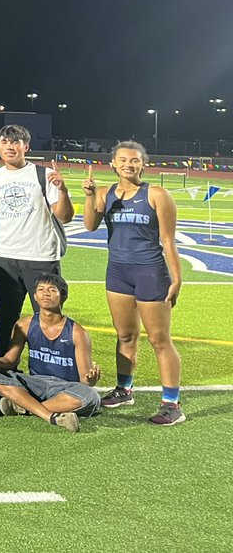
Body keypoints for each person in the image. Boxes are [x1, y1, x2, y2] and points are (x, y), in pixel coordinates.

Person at [83, 141, 185, 425]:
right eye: (123, 159)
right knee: (125, 336)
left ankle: (171, 403)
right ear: (113, 163)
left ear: (143, 164)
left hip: (150, 272)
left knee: (159, 340)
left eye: (135, 160)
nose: (129, 164)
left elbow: (168, 240)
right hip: (117, 272)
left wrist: (177, 279)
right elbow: (90, 225)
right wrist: (90, 197)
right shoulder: (105, 193)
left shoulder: (156, 194)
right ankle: (124, 389)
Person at [0, 125, 73, 354]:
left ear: (27, 146)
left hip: (41, 257)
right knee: (6, 321)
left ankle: (47, 372)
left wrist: (62, 191)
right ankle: (6, 372)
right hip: (5, 259)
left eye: (16, 142)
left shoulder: (42, 175)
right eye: (4, 142)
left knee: (49, 318)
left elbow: (64, 216)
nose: (10, 147)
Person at [0, 274, 101, 433]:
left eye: (52, 290)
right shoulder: (24, 324)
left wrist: (91, 379)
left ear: (63, 296)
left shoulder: (77, 332)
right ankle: (49, 414)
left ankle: (24, 408)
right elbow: (10, 360)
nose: (46, 293)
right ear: (35, 296)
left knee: (91, 396)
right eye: (41, 290)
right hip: (35, 384)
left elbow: (85, 380)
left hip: (65, 387)